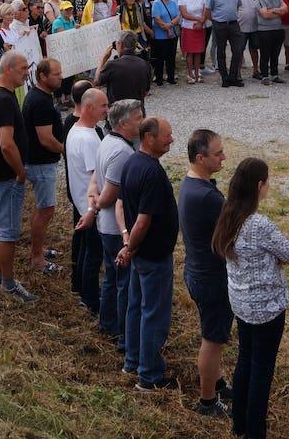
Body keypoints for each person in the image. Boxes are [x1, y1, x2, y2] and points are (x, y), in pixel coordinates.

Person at [212, 157, 289, 439]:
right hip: (267, 309)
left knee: (245, 360)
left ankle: (239, 424)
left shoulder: (228, 213)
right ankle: (255, 432)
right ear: (260, 185)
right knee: (262, 371)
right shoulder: (259, 224)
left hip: (241, 303)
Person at [116, 115, 180, 392]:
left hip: (141, 252)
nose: (172, 139)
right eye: (166, 135)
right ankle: (149, 376)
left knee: (136, 307)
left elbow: (122, 205)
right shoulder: (152, 172)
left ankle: (132, 360)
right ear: (149, 138)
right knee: (154, 314)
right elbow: (143, 220)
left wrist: (128, 243)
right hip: (152, 255)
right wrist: (130, 247)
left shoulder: (132, 163)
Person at [178, 129, 234, 417]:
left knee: (214, 336)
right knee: (212, 341)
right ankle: (208, 401)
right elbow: (237, 226)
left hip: (198, 271)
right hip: (211, 278)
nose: (223, 157)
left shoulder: (192, 185)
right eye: (218, 153)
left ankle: (218, 381)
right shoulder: (207, 197)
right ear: (201, 158)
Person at [0, 51, 36, 300]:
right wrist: (20, 172)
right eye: (23, 68)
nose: (27, 72)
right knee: (8, 232)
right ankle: (9, 284)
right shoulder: (2, 99)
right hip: (6, 175)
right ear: (8, 70)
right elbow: (6, 144)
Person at [92, 98, 144, 349]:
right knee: (124, 283)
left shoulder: (108, 140)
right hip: (116, 228)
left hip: (106, 225)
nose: (143, 123)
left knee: (111, 277)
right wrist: (97, 205)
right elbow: (112, 194)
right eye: (138, 119)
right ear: (123, 123)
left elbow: (96, 178)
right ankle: (124, 335)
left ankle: (107, 323)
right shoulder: (123, 152)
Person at [22, 58, 66, 274]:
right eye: (56, 74)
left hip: (40, 161)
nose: (61, 77)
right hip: (40, 162)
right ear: (42, 76)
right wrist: (66, 149)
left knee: (43, 209)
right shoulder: (40, 102)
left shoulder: (41, 96)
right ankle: (37, 258)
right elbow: (45, 139)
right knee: (45, 210)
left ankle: (39, 248)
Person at [67, 85, 108, 315]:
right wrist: (95, 208)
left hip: (82, 205)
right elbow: (97, 176)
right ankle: (91, 300)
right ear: (89, 107)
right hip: (91, 208)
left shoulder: (76, 129)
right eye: (103, 105)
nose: (107, 110)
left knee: (85, 251)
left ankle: (82, 290)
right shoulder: (89, 138)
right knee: (93, 255)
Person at [206, 0, 246, 88]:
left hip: (234, 23)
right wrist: (215, 21)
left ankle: (233, 76)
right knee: (221, 51)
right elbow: (208, 10)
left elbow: (238, 5)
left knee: (238, 50)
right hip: (220, 24)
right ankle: (224, 77)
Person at [96, 30, 153, 103]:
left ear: (121, 45)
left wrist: (103, 59)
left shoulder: (112, 65)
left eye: (117, 44)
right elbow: (145, 92)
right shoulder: (145, 65)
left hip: (117, 111)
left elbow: (97, 81)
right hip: (137, 110)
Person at [254, 0, 286, 86]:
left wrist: (272, 10)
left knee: (275, 53)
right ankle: (264, 75)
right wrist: (278, 11)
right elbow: (265, 15)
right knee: (265, 54)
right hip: (265, 31)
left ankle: (274, 74)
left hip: (278, 29)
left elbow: (285, 10)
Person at [149, 0, 180, 86]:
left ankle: (171, 77)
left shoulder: (173, 3)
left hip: (172, 35)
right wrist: (167, 29)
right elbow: (157, 19)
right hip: (160, 35)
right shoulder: (156, 4)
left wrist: (169, 25)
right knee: (160, 58)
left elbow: (177, 17)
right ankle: (159, 79)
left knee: (171, 57)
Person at [178, 0, 208, 83]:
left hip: (200, 27)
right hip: (188, 27)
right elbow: (184, 14)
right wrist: (197, 19)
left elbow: (205, 10)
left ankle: (197, 72)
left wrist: (201, 22)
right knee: (190, 52)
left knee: (198, 51)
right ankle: (190, 73)